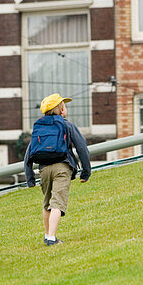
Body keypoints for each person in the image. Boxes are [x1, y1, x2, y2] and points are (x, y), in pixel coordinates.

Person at [24, 93, 91, 247]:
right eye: (64, 106)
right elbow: (82, 148)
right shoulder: (67, 125)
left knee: (47, 202)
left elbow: (29, 154)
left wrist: (30, 178)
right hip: (62, 167)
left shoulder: (39, 127)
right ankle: (52, 238)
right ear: (61, 110)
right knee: (57, 203)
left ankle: (48, 235)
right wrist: (86, 171)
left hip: (44, 169)